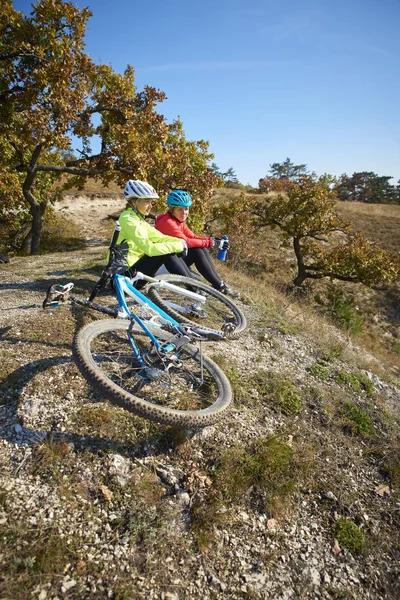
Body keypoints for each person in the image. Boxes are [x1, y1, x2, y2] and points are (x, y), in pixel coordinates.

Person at [155, 189, 239, 298]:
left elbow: (193, 237)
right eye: (180, 209)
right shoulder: (167, 222)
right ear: (172, 209)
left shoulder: (178, 221)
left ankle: (219, 284)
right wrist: (212, 243)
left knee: (201, 248)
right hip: (161, 265)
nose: (184, 213)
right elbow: (187, 242)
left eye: (186, 209)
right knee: (197, 251)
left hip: (171, 261)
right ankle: (216, 286)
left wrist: (213, 240)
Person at [114, 180, 195, 280]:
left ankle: (195, 285)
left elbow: (159, 237)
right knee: (165, 252)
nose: (151, 206)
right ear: (134, 201)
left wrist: (180, 242)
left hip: (133, 273)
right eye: (147, 201)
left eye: (151, 202)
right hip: (122, 278)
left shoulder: (137, 219)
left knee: (168, 249)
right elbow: (150, 249)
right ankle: (195, 288)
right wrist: (178, 246)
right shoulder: (128, 220)